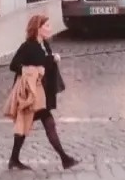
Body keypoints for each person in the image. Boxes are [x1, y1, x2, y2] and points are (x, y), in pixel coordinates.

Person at [5, 15, 78, 171]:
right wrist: (35, 68)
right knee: (34, 124)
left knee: (32, 125)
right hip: (31, 94)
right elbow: (14, 65)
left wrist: (52, 59)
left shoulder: (44, 44)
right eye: (47, 26)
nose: (50, 28)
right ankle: (64, 159)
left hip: (42, 93)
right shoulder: (28, 46)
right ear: (38, 28)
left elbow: (45, 63)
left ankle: (15, 159)